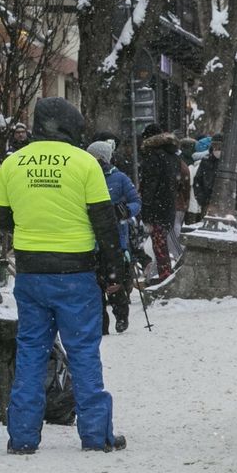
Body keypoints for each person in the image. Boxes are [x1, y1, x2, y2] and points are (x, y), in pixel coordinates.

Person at [0, 97, 127, 454]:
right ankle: (96, 435)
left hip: (32, 273)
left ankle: (22, 436)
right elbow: (105, 222)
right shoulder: (85, 164)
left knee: (32, 351)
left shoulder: (12, 163)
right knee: (83, 351)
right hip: (75, 273)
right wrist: (115, 270)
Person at [88, 140, 141, 335]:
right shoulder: (84, 176)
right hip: (90, 239)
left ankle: (121, 314)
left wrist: (125, 211)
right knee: (95, 284)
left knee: (114, 282)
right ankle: (101, 321)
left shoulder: (119, 178)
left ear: (102, 158)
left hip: (115, 238)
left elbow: (136, 202)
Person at [138, 124, 183, 282]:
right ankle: (165, 276)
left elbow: (149, 187)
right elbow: (176, 183)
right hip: (168, 206)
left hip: (156, 208)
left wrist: (146, 213)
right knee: (162, 245)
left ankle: (165, 279)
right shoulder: (173, 156)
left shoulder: (153, 157)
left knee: (159, 247)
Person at [193, 133, 222, 213]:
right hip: (207, 202)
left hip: (222, 202)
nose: (216, 148)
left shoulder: (227, 163)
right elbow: (198, 180)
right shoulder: (206, 161)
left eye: (219, 146)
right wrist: (201, 198)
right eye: (214, 145)